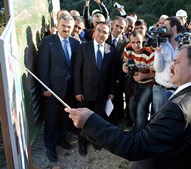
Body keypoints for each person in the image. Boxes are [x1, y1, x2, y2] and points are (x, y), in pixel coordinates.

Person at [65, 44, 191, 169]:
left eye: (177, 61)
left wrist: (91, 121)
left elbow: (135, 146)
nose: (171, 66)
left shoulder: (178, 109)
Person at [38, 13, 80, 162]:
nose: (66, 29)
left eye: (69, 27)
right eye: (63, 26)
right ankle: (50, 146)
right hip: (53, 90)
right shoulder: (48, 42)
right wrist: (45, 88)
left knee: (64, 117)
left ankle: (61, 139)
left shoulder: (75, 43)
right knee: (51, 118)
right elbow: (43, 67)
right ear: (58, 25)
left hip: (69, 89)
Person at [74, 21, 116, 156]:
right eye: (99, 30)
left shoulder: (110, 50)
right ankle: (82, 142)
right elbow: (77, 71)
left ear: (108, 34)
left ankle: (95, 141)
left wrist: (111, 91)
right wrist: (78, 91)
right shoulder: (83, 48)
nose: (101, 34)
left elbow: (111, 73)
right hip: (85, 93)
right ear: (94, 31)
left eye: (105, 32)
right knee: (82, 119)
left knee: (98, 118)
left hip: (102, 93)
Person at [122, 31, 155, 132]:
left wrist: (144, 76)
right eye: (133, 42)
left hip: (149, 84)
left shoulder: (150, 52)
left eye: (139, 42)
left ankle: (139, 134)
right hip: (135, 83)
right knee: (132, 108)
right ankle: (138, 128)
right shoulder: (127, 48)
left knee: (141, 109)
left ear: (144, 40)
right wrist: (124, 67)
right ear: (129, 42)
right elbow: (126, 62)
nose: (136, 45)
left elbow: (156, 74)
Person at [152, 16, 181, 112]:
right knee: (159, 119)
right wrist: (158, 52)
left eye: (166, 26)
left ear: (174, 28)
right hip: (161, 89)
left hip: (178, 90)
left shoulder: (183, 45)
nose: (162, 28)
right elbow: (158, 69)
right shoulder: (161, 43)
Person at [106, 16, 129, 124]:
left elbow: (125, 61)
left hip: (119, 79)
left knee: (118, 103)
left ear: (125, 29)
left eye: (122, 27)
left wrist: (118, 78)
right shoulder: (104, 38)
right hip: (104, 77)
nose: (118, 29)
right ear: (112, 25)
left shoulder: (127, 42)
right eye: (117, 26)